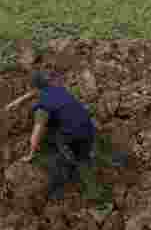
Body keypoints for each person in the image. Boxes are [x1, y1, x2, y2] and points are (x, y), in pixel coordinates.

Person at [6, 71, 97, 200]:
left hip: (73, 134)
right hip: (89, 127)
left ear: (34, 87)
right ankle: (87, 160)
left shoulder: (42, 108)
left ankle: (70, 171)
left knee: (60, 147)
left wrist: (31, 154)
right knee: (84, 153)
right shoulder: (57, 89)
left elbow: (37, 132)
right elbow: (34, 92)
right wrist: (17, 102)